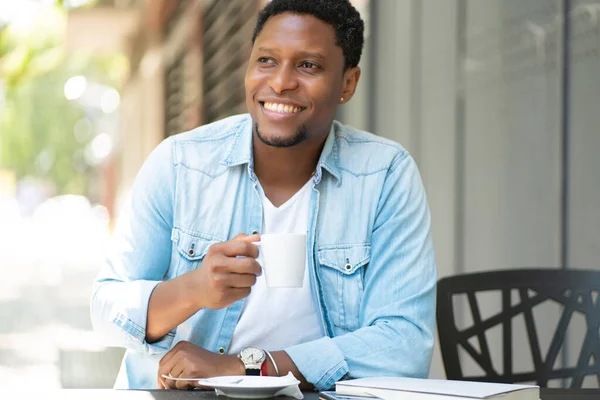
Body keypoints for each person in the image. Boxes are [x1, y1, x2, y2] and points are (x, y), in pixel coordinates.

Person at [91, 0, 437, 391]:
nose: (281, 81)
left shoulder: (384, 175)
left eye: (309, 65)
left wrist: (250, 366)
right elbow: (106, 310)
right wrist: (194, 288)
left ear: (348, 83)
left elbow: (404, 344)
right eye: (267, 61)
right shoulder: (180, 164)